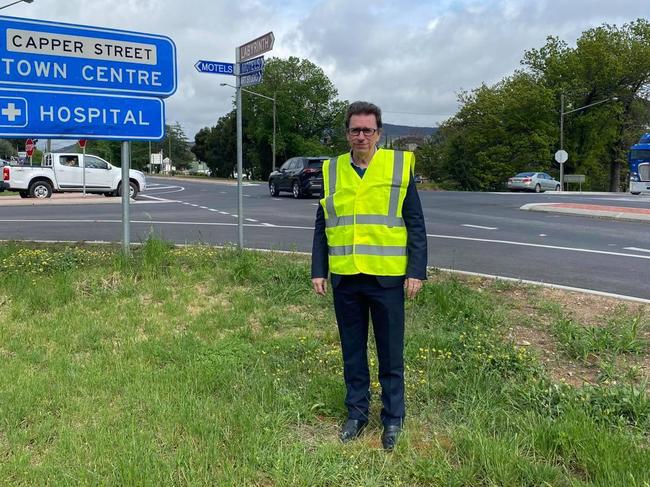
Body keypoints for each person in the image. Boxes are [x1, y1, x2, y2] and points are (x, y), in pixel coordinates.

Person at [311, 101, 427, 451]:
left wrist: (416, 271)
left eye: (368, 130)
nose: (361, 136)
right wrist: (319, 269)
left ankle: (393, 418)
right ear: (347, 133)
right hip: (346, 277)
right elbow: (323, 223)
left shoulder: (398, 166)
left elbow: (416, 223)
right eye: (355, 130)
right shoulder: (332, 170)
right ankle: (357, 414)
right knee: (352, 351)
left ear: (379, 133)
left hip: (387, 278)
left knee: (390, 352)